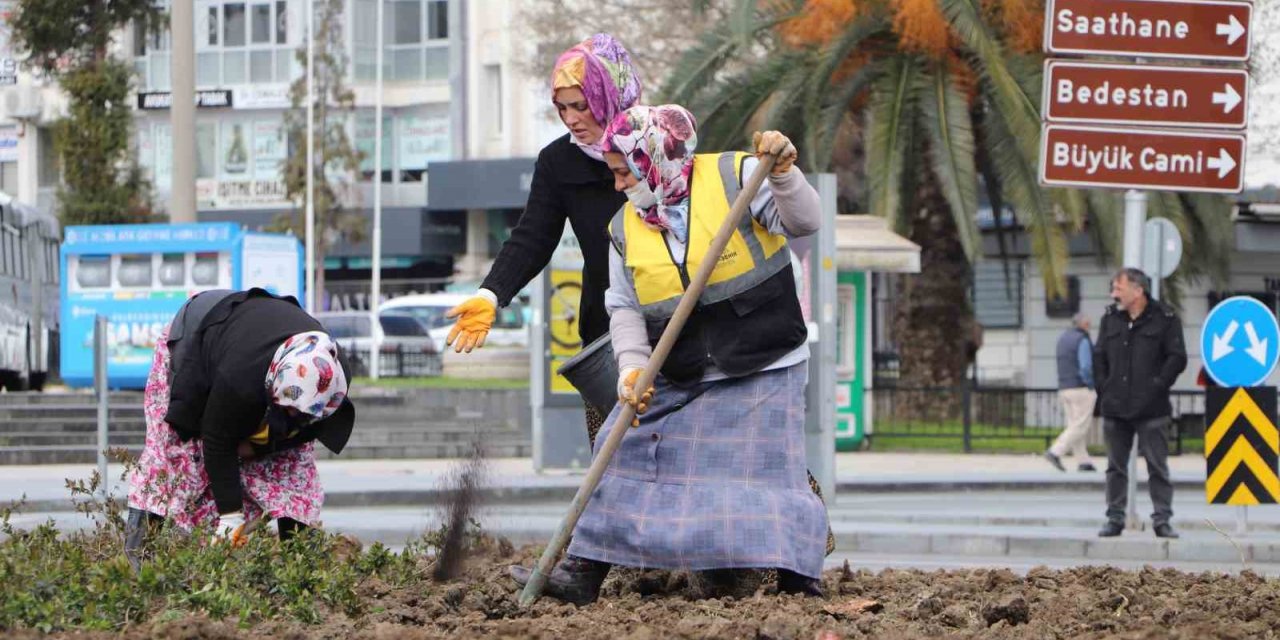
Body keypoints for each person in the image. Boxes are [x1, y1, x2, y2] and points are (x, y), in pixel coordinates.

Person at [509, 105, 829, 605]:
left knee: (772, 473)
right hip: (680, 367)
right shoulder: (625, 228)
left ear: (652, 159)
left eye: (622, 172)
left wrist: (785, 174)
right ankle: (581, 571)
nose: (617, 185)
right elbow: (624, 305)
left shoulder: (737, 176)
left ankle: (799, 581)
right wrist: (633, 368)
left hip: (764, 358)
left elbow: (804, 222)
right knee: (621, 445)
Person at [443, 33, 641, 444]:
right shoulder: (558, 161)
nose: (570, 119)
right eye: (561, 107)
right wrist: (490, 294)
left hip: (677, 328)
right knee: (613, 466)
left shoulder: (659, 144)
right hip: (606, 338)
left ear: (608, 95)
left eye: (580, 105)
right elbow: (533, 236)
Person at [125, 288, 356, 562]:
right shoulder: (239, 378)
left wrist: (260, 444)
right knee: (176, 455)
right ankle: (139, 558)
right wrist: (231, 516)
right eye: (286, 410)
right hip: (198, 336)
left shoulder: (333, 376)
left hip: (250, 342)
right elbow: (216, 440)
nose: (290, 418)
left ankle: (299, 569)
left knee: (292, 467)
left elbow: (305, 431)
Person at [1094, 268, 1187, 539]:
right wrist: (1104, 386)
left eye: (1118, 289)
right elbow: (1099, 355)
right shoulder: (1110, 319)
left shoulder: (1165, 319)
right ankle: (1114, 517)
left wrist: (1158, 385)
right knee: (1115, 467)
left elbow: (1177, 357)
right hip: (1115, 406)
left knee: (1157, 466)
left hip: (1152, 407)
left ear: (1138, 290)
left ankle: (1162, 519)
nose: (1114, 294)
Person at [1045, 312, 1098, 473]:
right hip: (1080, 388)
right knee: (1080, 426)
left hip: (1065, 388)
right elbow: (1085, 367)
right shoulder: (1082, 340)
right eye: (1088, 324)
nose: (1089, 327)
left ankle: (1084, 461)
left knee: (1074, 425)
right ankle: (1055, 452)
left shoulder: (1063, 339)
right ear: (1083, 325)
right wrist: (1091, 385)